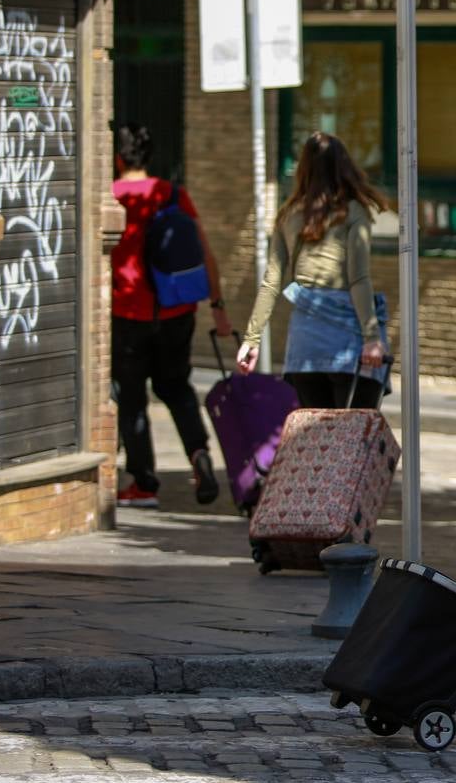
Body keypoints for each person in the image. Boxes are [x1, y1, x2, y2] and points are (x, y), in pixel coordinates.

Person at [111, 123, 231, 509]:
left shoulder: (111, 198)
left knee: (131, 397)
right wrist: (217, 306)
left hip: (128, 313)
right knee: (177, 387)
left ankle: (143, 482)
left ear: (116, 157)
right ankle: (199, 456)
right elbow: (205, 252)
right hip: (178, 310)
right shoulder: (173, 194)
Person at [236, 132, 390, 407]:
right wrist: (372, 338)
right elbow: (359, 280)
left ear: (303, 170)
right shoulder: (355, 212)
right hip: (348, 344)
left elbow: (271, 282)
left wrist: (252, 338)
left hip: (304, 346)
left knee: (318, 440)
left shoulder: (288, 214)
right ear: (344, 167)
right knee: (354, 439)